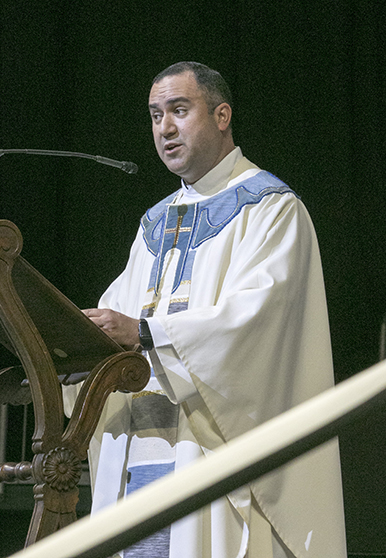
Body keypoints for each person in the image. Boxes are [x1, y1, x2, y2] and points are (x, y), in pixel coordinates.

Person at [63, 62, 347, 557]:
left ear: (221, 115)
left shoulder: (270, 208)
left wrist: (147, 333)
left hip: (210, 454)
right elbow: (117, 317)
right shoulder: (155, 223)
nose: (165, 128)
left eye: (178, 110)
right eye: (155, 116)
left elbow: (257, 322)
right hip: (137, 456)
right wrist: (70, 346)